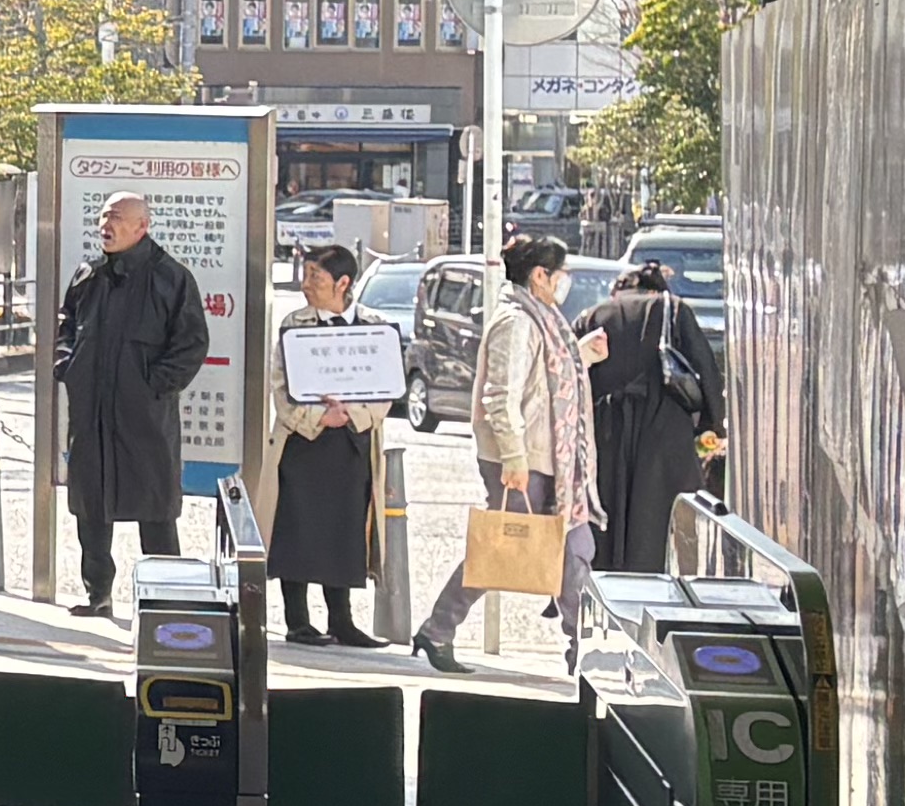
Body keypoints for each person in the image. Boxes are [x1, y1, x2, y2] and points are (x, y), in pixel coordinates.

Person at [418, 229, 602, 672]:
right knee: (508, 549)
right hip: (523, 459)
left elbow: (542, 381)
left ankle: (581, 646)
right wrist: (514, 458)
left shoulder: (541, 318)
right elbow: (501, 394)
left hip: (545, 458)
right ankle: (582, 648)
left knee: (567, 548)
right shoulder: (517, 321)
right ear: (540, 275)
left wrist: (583, 356)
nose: (564, 282)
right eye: (561, 274)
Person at [52, 190, 208, 611]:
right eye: (103, 216)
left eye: (117, 217)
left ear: (142, 226)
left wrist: (152, 384)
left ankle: (166, 601)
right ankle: (97, 593)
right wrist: (67, 365)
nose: (107, 224)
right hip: (91, 411)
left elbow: (191, 344)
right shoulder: (89, 274)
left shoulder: (170, 277)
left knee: (155, 510)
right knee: (91, 507)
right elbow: (66, 326)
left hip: (144, 416)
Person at [250, 241, 386, 646]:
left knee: (344, 529)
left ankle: (341, 619)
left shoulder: (373, 324)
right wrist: (316, 417)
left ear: (343, 283)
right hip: (303, 442)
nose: (307, 283)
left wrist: (352, 415)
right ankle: (297, 620)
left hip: (352, 441)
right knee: (296, 526)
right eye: (306, 274)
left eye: (316, 276)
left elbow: (385, 386)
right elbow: (281, 385)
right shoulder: (296, 324)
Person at [589, 253, 721, 573]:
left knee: (610, 512)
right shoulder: (674, 311)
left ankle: (607, 587)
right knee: (666, 515)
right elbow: (706, 369)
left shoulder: (593, 316)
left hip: (607, 429)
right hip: (666, 428)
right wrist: (711, 425)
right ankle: (672, 591)